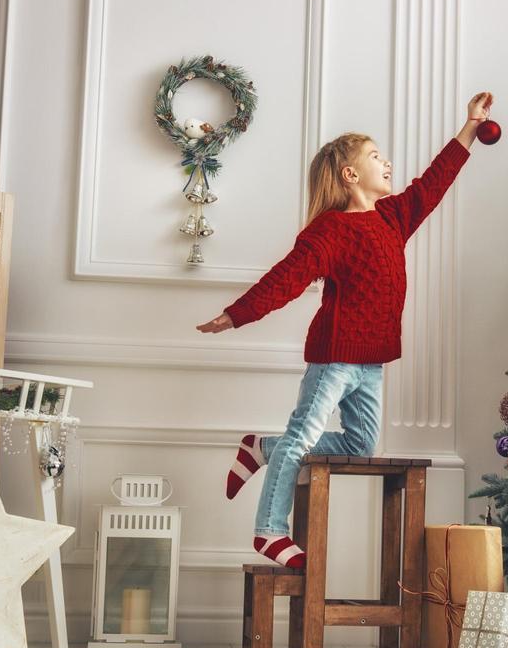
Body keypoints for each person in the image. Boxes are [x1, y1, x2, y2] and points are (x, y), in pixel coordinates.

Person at [196, 92, 493, 567]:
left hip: (372, 362)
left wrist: (469, 129)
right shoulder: (331, 231)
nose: (388, 162)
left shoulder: (395, 217)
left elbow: (434, 183)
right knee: (303, 436)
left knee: (360, 446)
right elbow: (287, 277)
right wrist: (238, 314)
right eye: (377, 156)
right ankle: (269, 531)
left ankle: (259, 448)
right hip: (335, 357)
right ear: (351, 174)